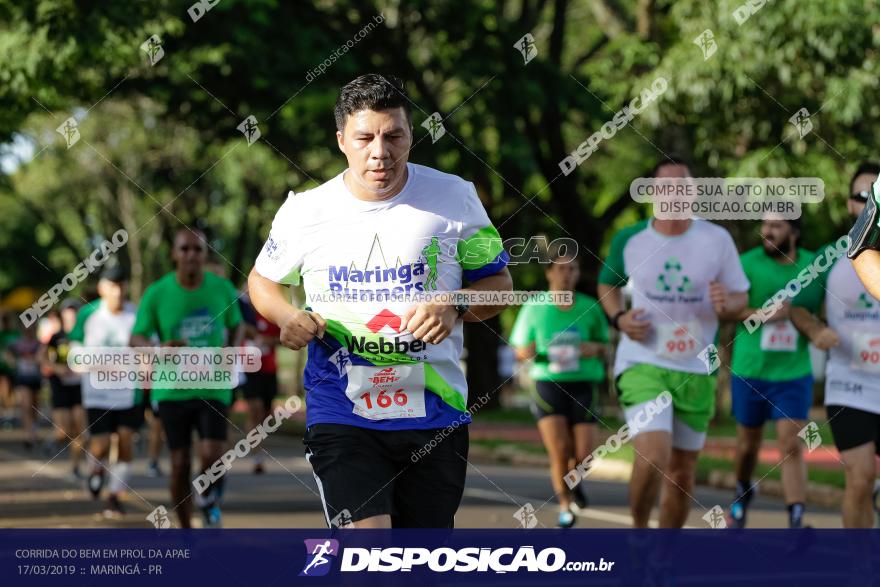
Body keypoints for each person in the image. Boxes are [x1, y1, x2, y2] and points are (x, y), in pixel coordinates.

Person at [248, 73, 512, 528]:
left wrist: (454, 305)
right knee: (368, 555)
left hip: (435, 411)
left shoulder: (454, 198)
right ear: (341, 141)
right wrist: (288, 315)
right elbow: (262, 281)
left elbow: (500, 285)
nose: (380, 151)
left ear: (412, 135)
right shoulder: (306, 212)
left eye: (394, 136)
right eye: (365, 137)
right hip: (342, 410)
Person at [598, 157, 749, 528]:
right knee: (653, 453)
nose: (673, 194)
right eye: (665, 187)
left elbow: (740, 300)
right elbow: (607, 285)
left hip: (696, 369)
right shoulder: (630, 240)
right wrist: (618, 318)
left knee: (682, 472)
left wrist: (724, 303)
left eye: (681, 186)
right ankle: (639, 535)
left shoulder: (716, 240)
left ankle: (664, 558)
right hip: (642, 362)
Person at [130, 227, 244, 528]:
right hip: (171, 389)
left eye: (197, 249)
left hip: (213, 384)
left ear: (206, 254)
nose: (191, 255)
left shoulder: (222, 289)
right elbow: (136, 337)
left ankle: (207, 496)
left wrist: (231, 350)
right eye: (185, 249)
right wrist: (157, 348)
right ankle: (185, 531)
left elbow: (237, 324)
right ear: (174, 254)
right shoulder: (157, 292)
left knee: (212, 455)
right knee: (180, 462)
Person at [791, 162, 880, 528]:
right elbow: (799, 307)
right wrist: (814, 331)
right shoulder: (831, 256)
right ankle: (860, 570)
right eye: (863, 196)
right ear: (850, 205)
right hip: (851, 385)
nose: (870, 202)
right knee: (860, 478)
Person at [723, 218, 821, 528]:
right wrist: (768, 313)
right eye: (764, 225)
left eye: (776, 226)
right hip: (750, 370)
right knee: (748, 446)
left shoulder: (814, 265)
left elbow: (826, 308)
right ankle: (742, 489)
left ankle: (796, 517)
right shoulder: (745, 264)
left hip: (793, 373)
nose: (767, 232)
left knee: (790, 444)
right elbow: (728, 310)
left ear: (794, 231)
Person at [510, 251, 608, 527]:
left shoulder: (590, 306)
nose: (567, 274)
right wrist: (526, 352)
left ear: (578, 274)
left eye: (573, 269)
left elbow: (606, 344)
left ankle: (575, 484)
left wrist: (597, 348)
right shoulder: (534, 307)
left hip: (584, 383)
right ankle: (565, 505)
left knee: (585, 454)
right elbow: (519, 349)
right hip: (548, 385)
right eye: (562, 269)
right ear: (549, 273)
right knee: (560, 451)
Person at [70, 266, 140, 517]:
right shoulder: (88, 314)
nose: (117, 291)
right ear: (102, 289)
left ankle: (113, 496)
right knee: (99, 445)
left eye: (121, 285)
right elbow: (74, 349)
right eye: (112, 285)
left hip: (128, 392)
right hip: (97, 392)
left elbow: (147, 345)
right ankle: (96, 468)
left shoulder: (136, 314)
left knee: (124, 442)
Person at [39, 301, 86, 477]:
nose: (71, 315)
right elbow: (41, 357)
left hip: (79, 386)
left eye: (74, 312)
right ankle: (53, 440)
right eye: (68, 312)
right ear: (63, 315)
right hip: (60, 386)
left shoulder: (84, 336)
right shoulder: (56, 336)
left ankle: (75, 467)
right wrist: (57, 368)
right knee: (64, 431)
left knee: (79, 428)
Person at [239, 291, 281, 474]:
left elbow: (283, 338)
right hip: (249, 368)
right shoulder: (244, 314)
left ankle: (258, 442)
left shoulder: (271, 314)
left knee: (265, 415)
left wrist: (268, 340)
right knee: (254, 409)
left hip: (269, 369)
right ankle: (257, 456)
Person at [8, 323, 42, 450]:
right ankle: (29, 435)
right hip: (23, 378)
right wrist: (12, 362)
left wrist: (36, 360)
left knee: (34, 406)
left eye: (31, 328)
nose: (28, 330)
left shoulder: (38, 344)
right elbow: (8, 352)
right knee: (26, 405)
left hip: (35, 378)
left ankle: (33, 427)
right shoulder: (17, 343)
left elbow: (43, 357)